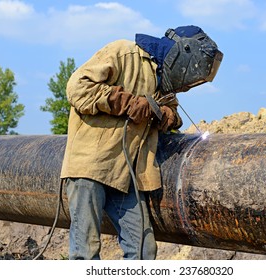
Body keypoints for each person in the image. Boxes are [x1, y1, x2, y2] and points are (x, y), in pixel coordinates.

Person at [60, 25, 223, 260]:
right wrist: (129, 103)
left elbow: (173, 114)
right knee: (85, 252)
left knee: (143, 251)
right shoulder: (123, 52)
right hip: (90, 168)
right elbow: (78, 88)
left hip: (128, 175)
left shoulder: (163, 81)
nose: (186, 85)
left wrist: (165, 115)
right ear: (181, 53)